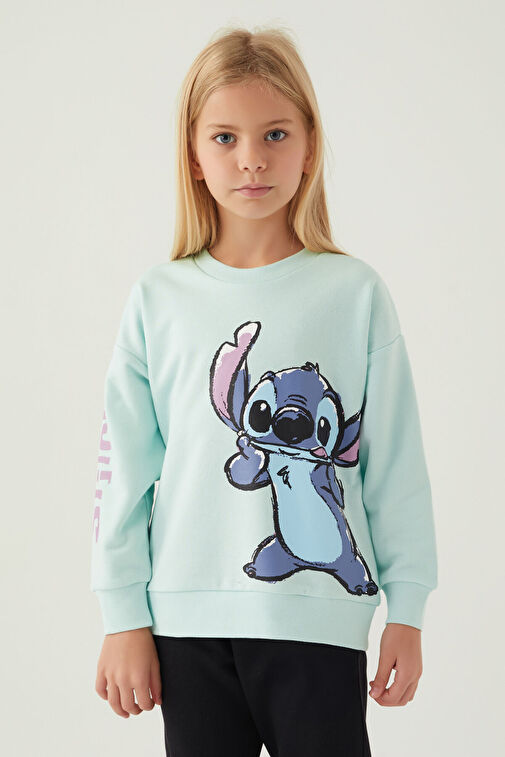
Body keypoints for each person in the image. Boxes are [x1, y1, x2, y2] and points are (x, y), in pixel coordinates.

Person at [90, 26, 438, 757]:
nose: (251, 158)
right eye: (225, 137)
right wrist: (122, 615)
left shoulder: (354, 293)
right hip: (187, 627)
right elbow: (123, 473)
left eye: (275, 134)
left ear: (310, 146)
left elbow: (395, 465)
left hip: (319, 622)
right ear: (193, 155)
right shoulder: (158, 299)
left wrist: (407, 607)